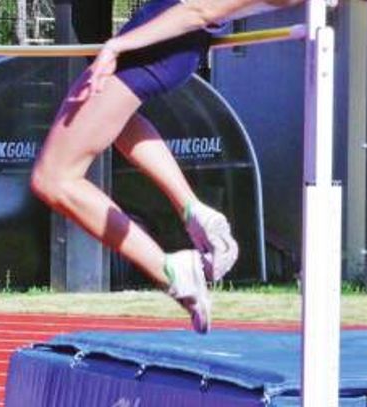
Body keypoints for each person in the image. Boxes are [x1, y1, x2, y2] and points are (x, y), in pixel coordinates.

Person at [30, 0, 307, 334]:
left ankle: (172, 272)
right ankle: (193, 210)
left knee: (54, 178)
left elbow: (200, 11)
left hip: (162, 40)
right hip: (166, 38)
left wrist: (119, 45)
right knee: (119, 127)